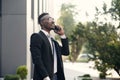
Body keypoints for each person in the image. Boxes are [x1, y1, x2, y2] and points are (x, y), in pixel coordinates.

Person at [30, 12, 69, 80]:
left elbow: (66, 52)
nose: (53, 21)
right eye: (49, 19)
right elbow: (37, 59)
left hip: (56, 77)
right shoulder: (37, 37)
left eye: (53, 19)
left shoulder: (53, 41)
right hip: (44, 77)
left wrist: (62, 35)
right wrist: (45, 77)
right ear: (42, 23)